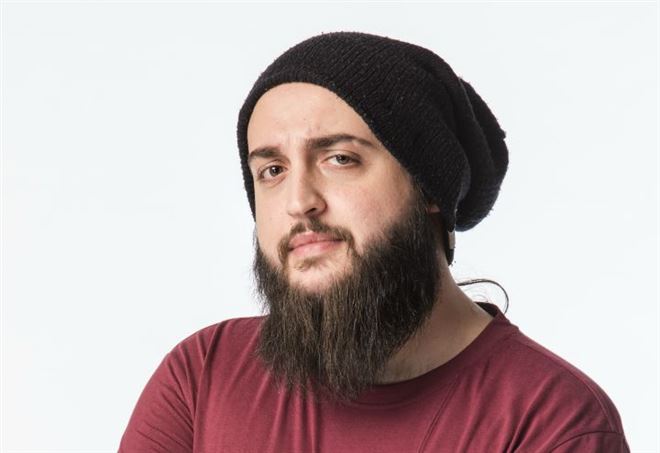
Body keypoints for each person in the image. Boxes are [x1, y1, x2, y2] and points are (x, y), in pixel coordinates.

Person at [119, 31, 629, 452]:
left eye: (339, 158)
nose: (299, 202)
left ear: (428, 186)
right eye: (272, 170)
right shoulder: (203, 377)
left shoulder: (553, 422)